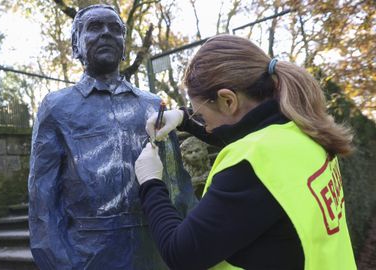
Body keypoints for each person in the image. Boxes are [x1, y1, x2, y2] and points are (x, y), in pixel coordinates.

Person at [135, 35, 357, 270]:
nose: (204, 124)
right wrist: (183, 118)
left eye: (200, 113)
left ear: (228, 100)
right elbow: (244, 130)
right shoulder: (303, 129)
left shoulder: (250, 167)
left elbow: (180, 253)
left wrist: (150, 182)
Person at [28, 4, 195, 270]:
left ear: (124, 46)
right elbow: (44, 203)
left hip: (153, 251)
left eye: (114, 29)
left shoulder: (153, 105)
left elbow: (178, 188)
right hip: (88, 256)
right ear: (76, 46)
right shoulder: (56, 108)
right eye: (94, 27)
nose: (106, 33)